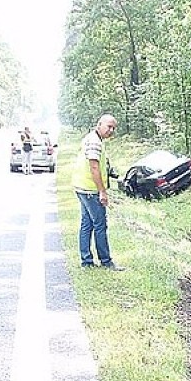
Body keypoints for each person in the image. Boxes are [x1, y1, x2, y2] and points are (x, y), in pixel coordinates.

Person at [72, 114, 125, 270]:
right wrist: (102, 191)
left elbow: (102, 165)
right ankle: (106, 261)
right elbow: (94, 168)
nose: (111, 130)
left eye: (114, 128)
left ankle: (86, 261)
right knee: (100, 224)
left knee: (86, 224)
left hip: (81, 187)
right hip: (90, 190)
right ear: (99, 124)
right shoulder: (95, 142)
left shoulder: (92, 138)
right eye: (109, 126)